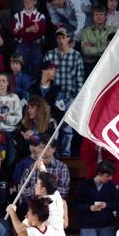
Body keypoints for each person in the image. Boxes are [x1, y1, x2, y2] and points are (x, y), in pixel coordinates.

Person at [43, 28, 84, 157]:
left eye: (63, 37)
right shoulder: (50, 55)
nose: (61, 40)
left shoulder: (76, 55)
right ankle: (52, 153)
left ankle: (66, 154)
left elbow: (79, 78)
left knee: (67, 128)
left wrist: (78, 98)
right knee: (52, 126)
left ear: (68, 39)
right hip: (54, 95)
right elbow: (44, 75)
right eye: (58, 38)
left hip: (69, 96)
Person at [20, 134, 70, 201]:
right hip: (35, 204)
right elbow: (23, 190)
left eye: (47, 148)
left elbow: (64, 191)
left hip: (53, 204)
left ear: (54, 149)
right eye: (41, 147)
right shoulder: (31, 167)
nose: (43, 151)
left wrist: (43, 190)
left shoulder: (62, 168)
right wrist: (37, 191)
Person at [10, 0, 46, 81]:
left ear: (35, 2)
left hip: (36, 44)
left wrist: (21, 31)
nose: (27, 2)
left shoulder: (40, 16)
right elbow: (14, 33)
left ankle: (33, 87)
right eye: (25, 0)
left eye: (29, 0)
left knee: (37, 63)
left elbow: (40, 32)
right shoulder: (17, 16)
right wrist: (28, 29)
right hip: (21, 44)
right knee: (20, 64)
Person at [0, 72, 22, 166]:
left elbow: (18, 116)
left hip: (10, 133)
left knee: (10, 158)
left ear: (8, 83)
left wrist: (7, 118)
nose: (1, 83)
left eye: (4, 81)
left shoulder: (14, 97)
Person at [81, 5, 115, 78]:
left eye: (101, 14)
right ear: (92, 17)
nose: (98, 17)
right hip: (90, 64)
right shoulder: (86, 32)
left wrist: (93, 47)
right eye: (96, 14)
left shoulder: (112, 30)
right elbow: (86, 51)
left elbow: (112, 49)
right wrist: (104, 48)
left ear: (105, 16)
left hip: (107, 64)